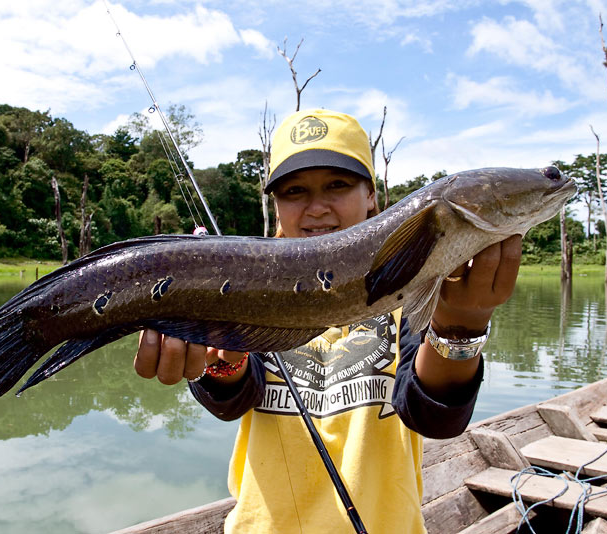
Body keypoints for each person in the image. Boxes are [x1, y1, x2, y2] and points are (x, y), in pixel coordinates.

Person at [133, 108, 522, 533]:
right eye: (295, 191)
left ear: (371, 194)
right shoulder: (247, 285)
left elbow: (433, 417)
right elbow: (232, 400)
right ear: (276, 205)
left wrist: (461, 324)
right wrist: (221, 360)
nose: (316, 208)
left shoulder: (412, 285)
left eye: (337, 185)